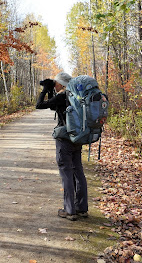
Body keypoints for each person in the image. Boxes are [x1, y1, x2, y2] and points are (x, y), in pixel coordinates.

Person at [36, 72, 88, 221]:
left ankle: (69, 210)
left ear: (62, 84)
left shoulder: (62, 96)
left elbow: (39, 105)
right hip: (78, 138)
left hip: (64, 140)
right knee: (78, 171)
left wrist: (45, 89)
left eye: (56, 83)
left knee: (66, 173)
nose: (54, 85)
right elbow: (54, 107)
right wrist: (51, 90)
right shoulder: (77, 96)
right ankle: (82, 208)